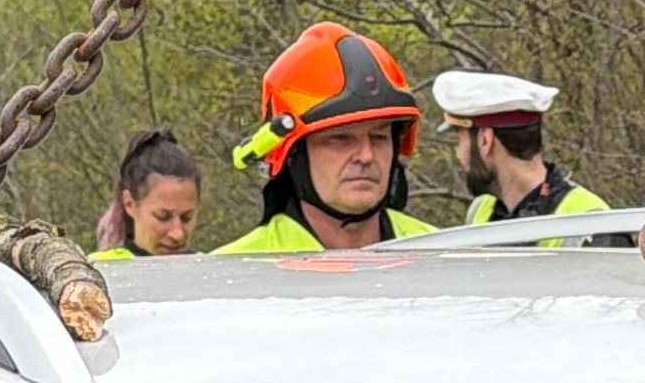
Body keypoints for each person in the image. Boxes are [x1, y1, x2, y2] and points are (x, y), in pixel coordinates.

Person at [215, 23, 442, 254]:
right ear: (294, 153)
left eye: (378, 137)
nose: (366, 155)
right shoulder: (230, 275)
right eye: (341, 138)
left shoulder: (441, 256)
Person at [432, 69, 610, 231]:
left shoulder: (591, 219)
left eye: (459, 140)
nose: (458, 154)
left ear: (485, 140)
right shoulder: (481, 210)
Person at [91, 128, 201, 261]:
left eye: (186, 218)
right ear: (129, 204)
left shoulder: (213, 272)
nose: (177, 234)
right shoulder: (100, 272)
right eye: (163, 217)